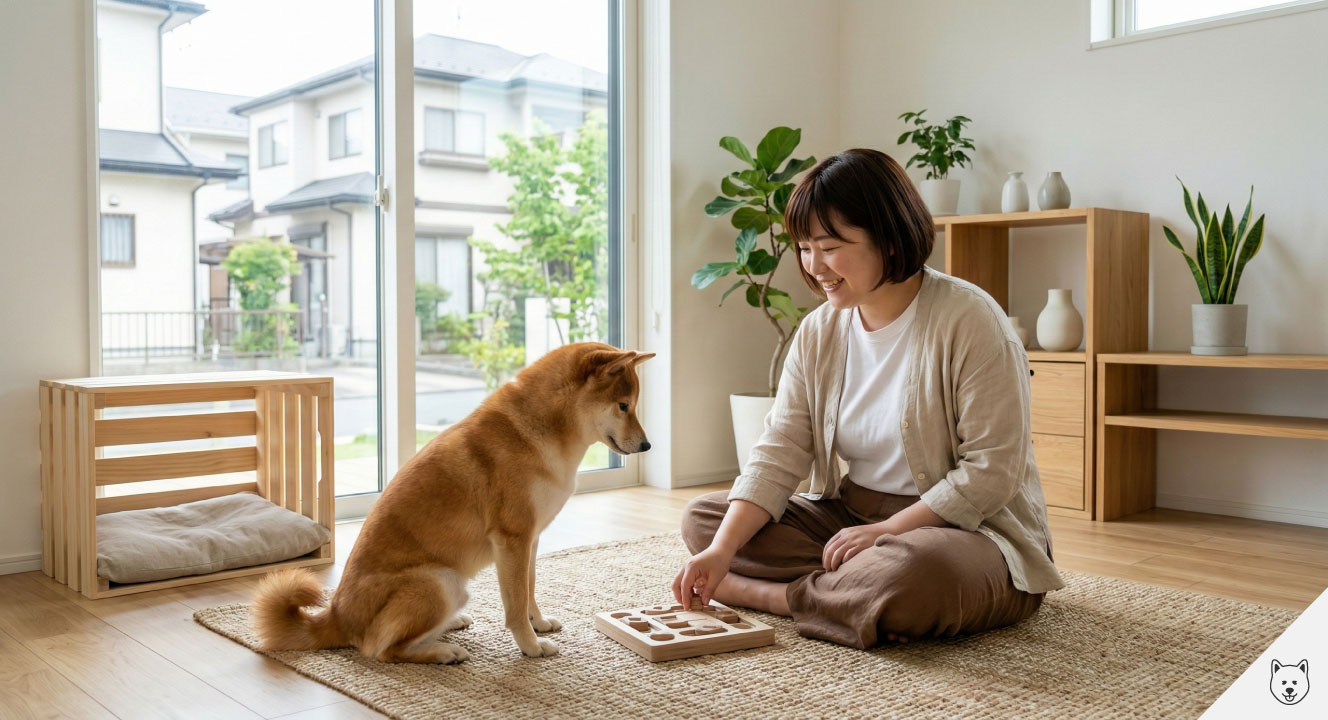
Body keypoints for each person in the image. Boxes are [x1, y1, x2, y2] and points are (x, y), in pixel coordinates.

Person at [673, 148, 1064, 649]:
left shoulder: (972, 321)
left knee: (915, 573)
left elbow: (991, 471)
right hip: (852, 514)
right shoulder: (819, 330)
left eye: (830, 247)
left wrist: (889, 533)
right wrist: (722, 551)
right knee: (707, 521)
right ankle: (853, 595)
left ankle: (775, 597)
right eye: (804, 247)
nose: (814, 267)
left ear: (889, 238)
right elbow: (782, 445)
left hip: (970, 532)